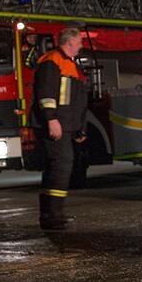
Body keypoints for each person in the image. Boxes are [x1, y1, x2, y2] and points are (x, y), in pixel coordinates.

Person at [31, 26, 89, 230]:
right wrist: (51, 119)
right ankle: (53, 214)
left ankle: (51, 214)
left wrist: (79, 128)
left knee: (57, 165)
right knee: (62, 164)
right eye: (79, 42)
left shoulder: (69, 64)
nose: (81, 46)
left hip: (64, 124)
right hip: (55, 124)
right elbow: (46, 93)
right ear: (70, 42)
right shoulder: (52, 61)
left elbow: (77, 101)